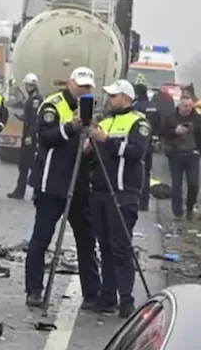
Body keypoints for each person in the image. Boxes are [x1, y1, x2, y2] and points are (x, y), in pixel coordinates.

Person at [24, 67, 100, 309]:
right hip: (52, 183)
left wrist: (90, 147)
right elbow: (46, 137)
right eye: (80, 85)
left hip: (79, 183)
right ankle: (34, 290)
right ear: (69, 84)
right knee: (42, 237)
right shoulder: (52, 105)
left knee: (86, 239)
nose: (83, 90)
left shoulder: (92, 109)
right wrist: (71, 127)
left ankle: (92, 292)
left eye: (88, 87)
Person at [86, 79, 151, 318]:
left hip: (124, 193)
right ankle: (107, 296)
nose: (108, 100)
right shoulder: (103, 122)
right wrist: (89, 148)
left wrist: (106, 141)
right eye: (108, 96)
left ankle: (126, 299)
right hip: (101, 191)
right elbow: (94, 158)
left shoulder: (138, 122)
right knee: (104, 246)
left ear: (126, 98)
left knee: (121, 247)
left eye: (113, 96)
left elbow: (137, 152)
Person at [162, 93, 201, 220]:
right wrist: (175, 131)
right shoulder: (171, 118)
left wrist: (198, 150)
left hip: (192, 155)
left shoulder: (197, 118)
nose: (187, 109)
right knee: (177, 184)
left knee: (194, 184)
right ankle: (177, 211)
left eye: (189, 106)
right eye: (185, 106)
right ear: (179, 105)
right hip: (176, 155)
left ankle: (190, 208)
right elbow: (163, 133)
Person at [9, 73, 42, 199]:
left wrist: (30, 136)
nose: (26, 87)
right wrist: (21, 117)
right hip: (27, 135)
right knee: (24, 164)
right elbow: (29, 116)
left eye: (27, 85)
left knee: (30, 165)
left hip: (30, 137)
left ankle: (34, 192)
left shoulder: (35, 99)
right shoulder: (31, 97)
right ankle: (20, 190)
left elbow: (35, 119)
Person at [133, 83, 160, 211]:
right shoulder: (153, 106)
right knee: (147, 172)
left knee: (137, 171)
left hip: (139, 143)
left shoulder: (136, 107)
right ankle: (145, 202)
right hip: (150, 144)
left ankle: (137, 200)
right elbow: (158, 123)